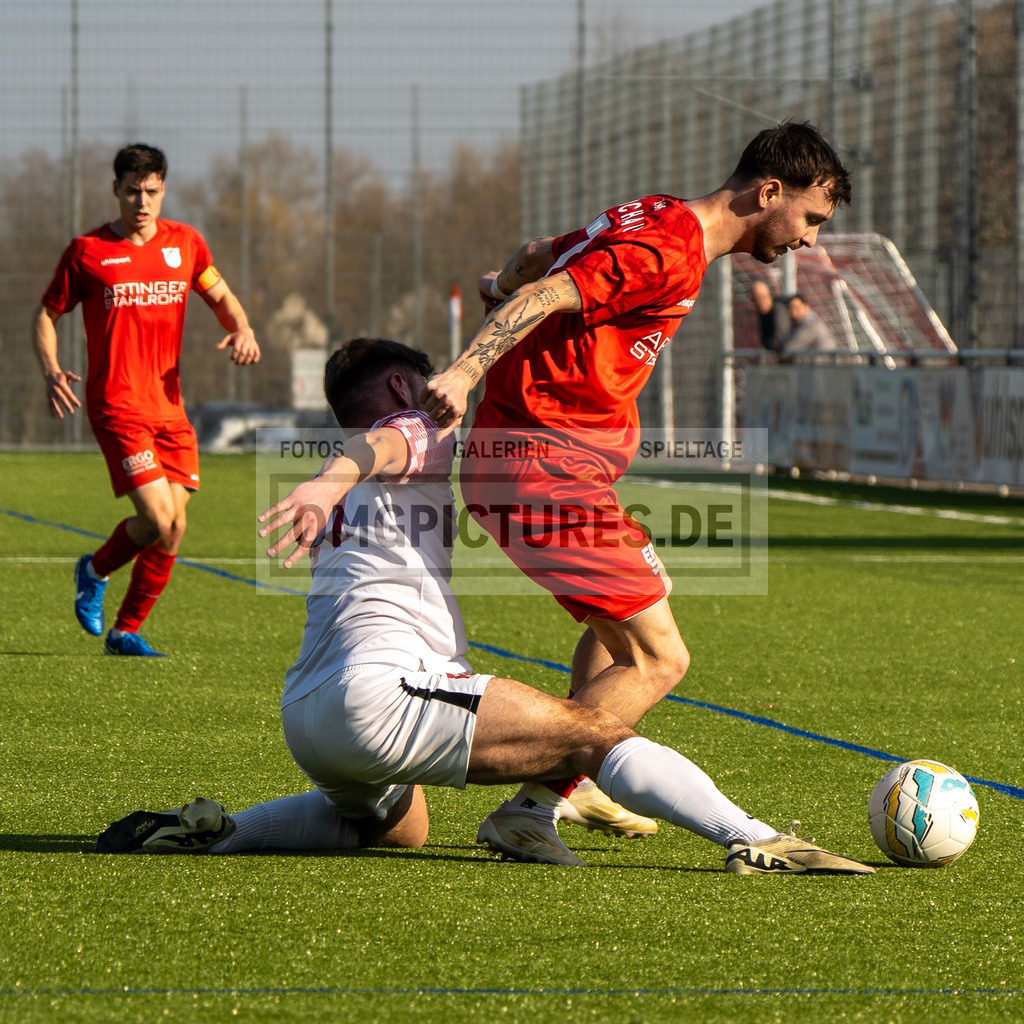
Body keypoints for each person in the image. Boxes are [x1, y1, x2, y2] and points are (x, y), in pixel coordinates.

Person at [94, 338, 873, 877]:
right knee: (594, 734)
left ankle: (224, 832)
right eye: (430, 378)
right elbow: (384, 445)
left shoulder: (371, 477)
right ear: (402, 388)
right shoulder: (413, 427)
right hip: (380, 694)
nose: (447, 391)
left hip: (309, 714)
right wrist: (332, 477)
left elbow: (375, 457)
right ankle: (756, 839)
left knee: (397, 829)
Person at [417, 121, 852, 860]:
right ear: (769, 192)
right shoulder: (670, 252)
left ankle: (567, 782)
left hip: (540, 465)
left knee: (632, 620)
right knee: (660, 660)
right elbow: (549, 290)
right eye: (809, 217)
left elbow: (536, 257)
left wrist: (497, 286)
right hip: (543, 468)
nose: (809, 239)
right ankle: (534, 799)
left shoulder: (655, 212)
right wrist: (464, 370)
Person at [32, 143, 260, 657]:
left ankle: (125, 632)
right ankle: (94, 571)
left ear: (163, 189)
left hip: (169, 408)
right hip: (117, 404)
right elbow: (47, 314)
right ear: (116, 190)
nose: (142, 201)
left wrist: (243, 328)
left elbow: (219, 295)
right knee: (156, 519)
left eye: (151, 191)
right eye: (132, 191)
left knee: (174, 527)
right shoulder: (88, 251)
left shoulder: (186, 243)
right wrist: (51, 370)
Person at [779, 292, 837, 360]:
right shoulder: (799, 323)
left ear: (806, 307)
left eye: (797, 307)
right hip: (816, 364)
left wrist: (779, 346)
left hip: (822, 365)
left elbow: (789, 348)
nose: (793, 311)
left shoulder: (810, 324)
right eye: (790, 308)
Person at [750, 279, 791, 352]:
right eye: (755, 298)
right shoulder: (763, 313)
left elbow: (779, 341)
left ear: (769, 295)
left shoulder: (779, 310)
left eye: (763, 296)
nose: (760, 301)